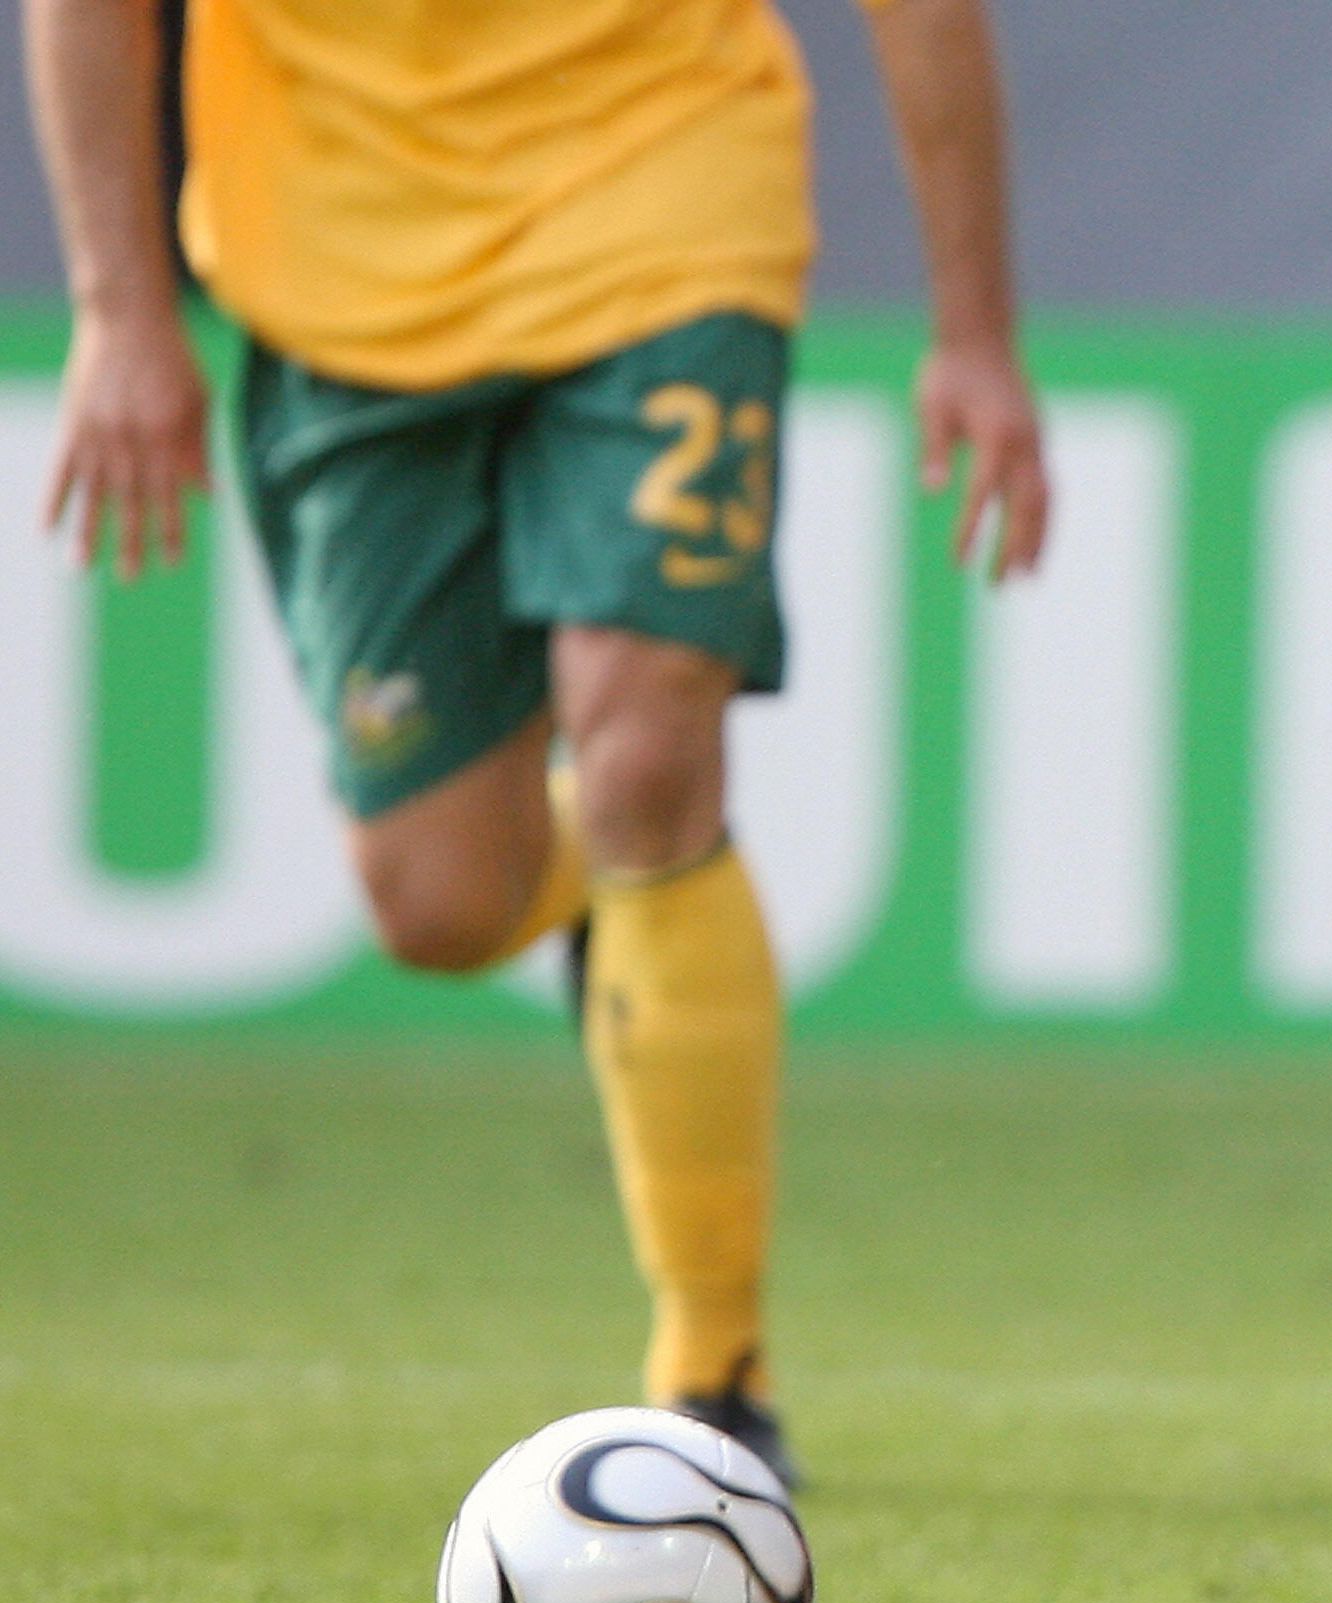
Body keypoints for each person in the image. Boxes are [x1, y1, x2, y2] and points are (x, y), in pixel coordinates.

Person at [25, 0, 1054, 1478]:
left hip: (664, 206)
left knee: (647, 750)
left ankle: (714, 1375)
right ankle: (624, 900)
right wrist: (118, 307)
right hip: (339, 275)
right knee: (439, 900)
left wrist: (976, 334)